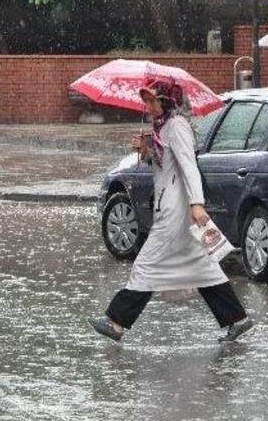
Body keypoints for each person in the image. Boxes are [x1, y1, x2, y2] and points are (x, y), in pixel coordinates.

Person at [88, 78, 253, 343]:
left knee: (145, 264)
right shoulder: (162, 127)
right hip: (169, 206)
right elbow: (164, 164)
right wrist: (146, 150)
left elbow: (188, 166)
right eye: (147, 100)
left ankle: (116, 321)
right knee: (203, 267)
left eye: (152, 100)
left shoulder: (176, 127)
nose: (148, 106)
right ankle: (237, 319)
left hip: (177, 211)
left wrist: (196, 203)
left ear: (167, 101)